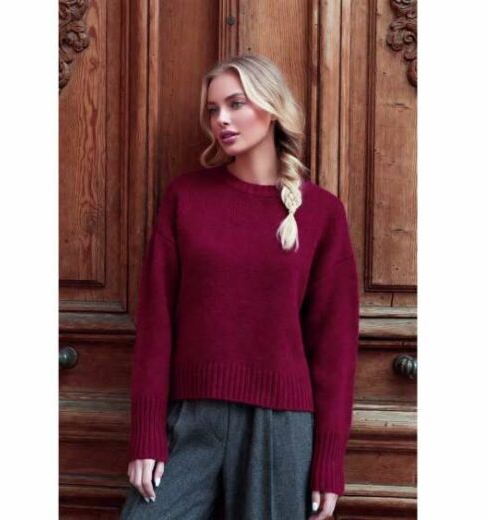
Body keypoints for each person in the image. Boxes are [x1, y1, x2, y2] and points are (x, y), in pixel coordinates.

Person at [119, 54, 360, 520]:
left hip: (281, 428)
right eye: (213, 110)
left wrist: (329, 460)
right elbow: (156, 324)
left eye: (235, 104)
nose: (221, 120)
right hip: (191, 419)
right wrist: (146, 432)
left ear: (271, 108)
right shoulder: (185, 198)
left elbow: (335, 348)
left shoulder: (322, 213)